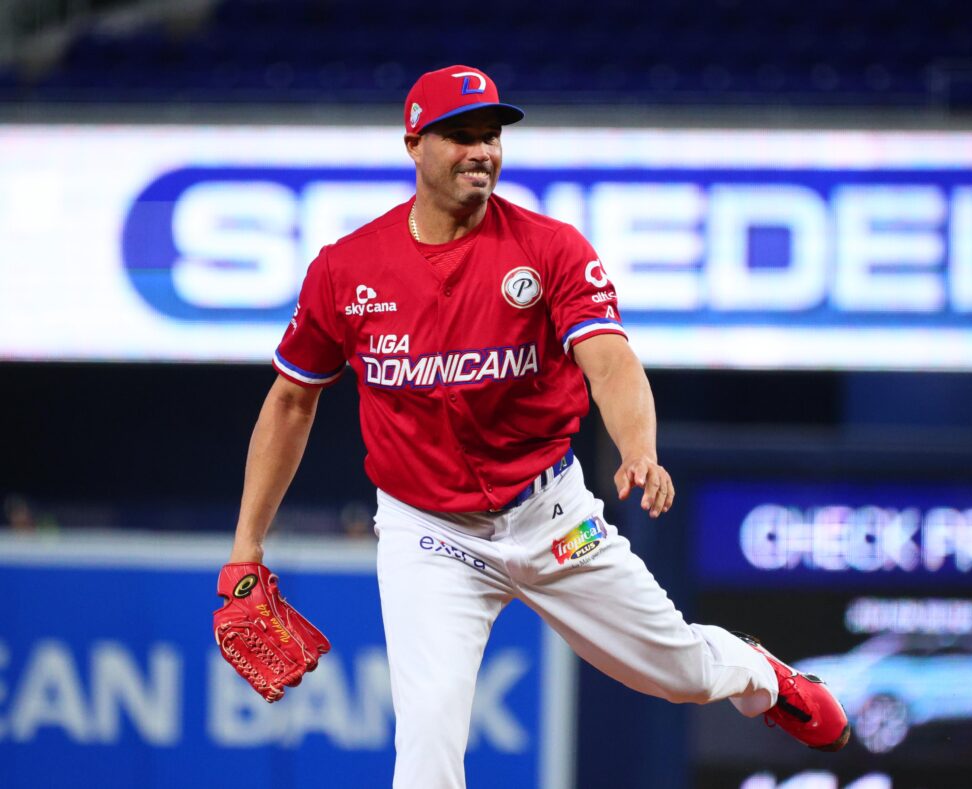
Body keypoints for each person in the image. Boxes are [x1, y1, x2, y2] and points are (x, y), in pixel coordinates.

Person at [225, 64, 849, 788]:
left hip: (550, 513)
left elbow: (610, 361)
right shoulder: (348, 270)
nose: (481, 151)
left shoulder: (549, 249)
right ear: (413, 144)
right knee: (425, 746)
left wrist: (638, 448)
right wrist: (246, 547)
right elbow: (291, 400)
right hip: (430, 534)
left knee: (678, 671)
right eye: (460, 136)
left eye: (490, 136)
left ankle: (759, 675)